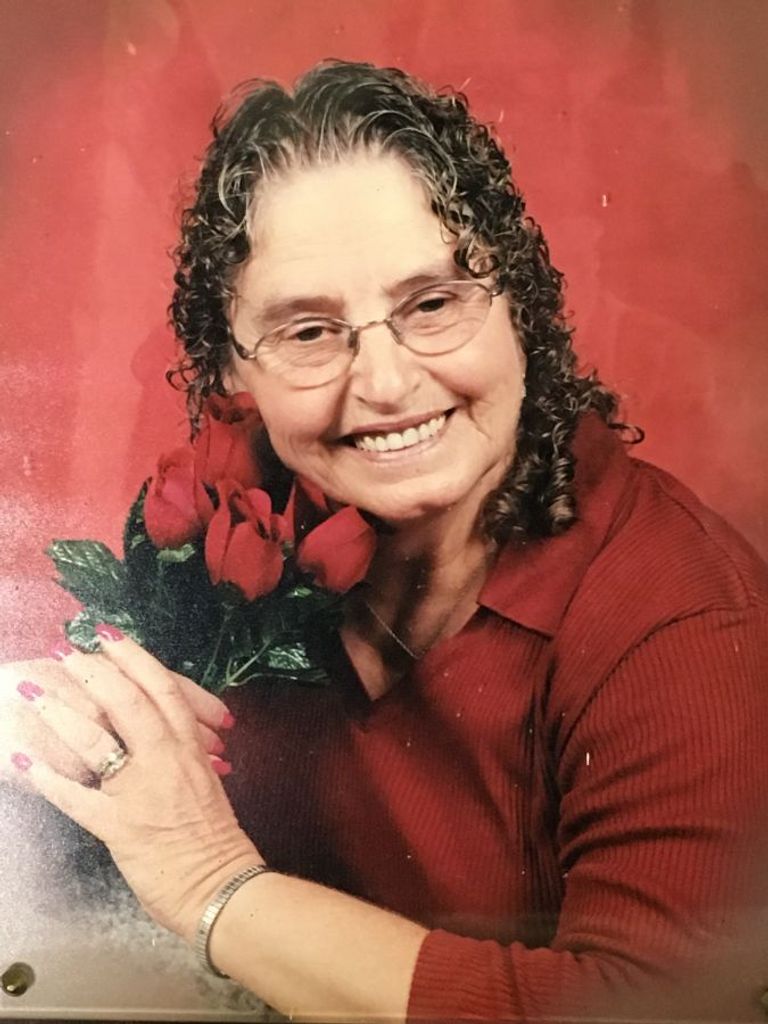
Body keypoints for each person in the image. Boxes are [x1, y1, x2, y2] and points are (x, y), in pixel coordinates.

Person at [2, 60, 768, 1022]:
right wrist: (38, 734)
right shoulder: (233, 515)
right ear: (232, 368)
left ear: (521, 306)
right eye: (309, 332)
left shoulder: (686, 621)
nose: (387, 383)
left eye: (433, 304)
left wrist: (212, 885)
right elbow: (87, 861)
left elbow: (657, 1011)